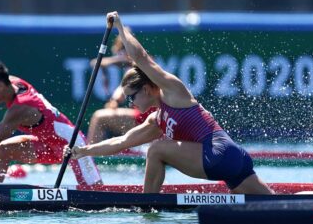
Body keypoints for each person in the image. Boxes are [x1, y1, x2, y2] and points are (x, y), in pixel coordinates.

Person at [67, 11, 273, 194]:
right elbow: (120, 142)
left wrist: (119, 26)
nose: (130, 103)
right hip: (234, 160)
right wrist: (82, 151)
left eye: (132, 97)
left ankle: (146, 207)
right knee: (273, 204)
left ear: (146, 89)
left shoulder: (173, 91)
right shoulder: (156, 121)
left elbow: (140, 57)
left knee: (156, 149)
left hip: (219, 153)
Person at [0, 42, 102, 185]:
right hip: (46, 145)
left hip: (72, 144)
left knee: (96, 193)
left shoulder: (20, 108)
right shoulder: (10, 82)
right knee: (4, 149)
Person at [87, 29, 157, 144]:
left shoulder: (142, 62)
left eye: (121, 51)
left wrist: (115, 100)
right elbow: (122, 89)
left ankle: (89, 157)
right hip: (148, 118)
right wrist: (114, 101)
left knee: (99, 118)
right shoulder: (135, 66)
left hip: (147, 119)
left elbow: (121, 92)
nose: (120, 55)